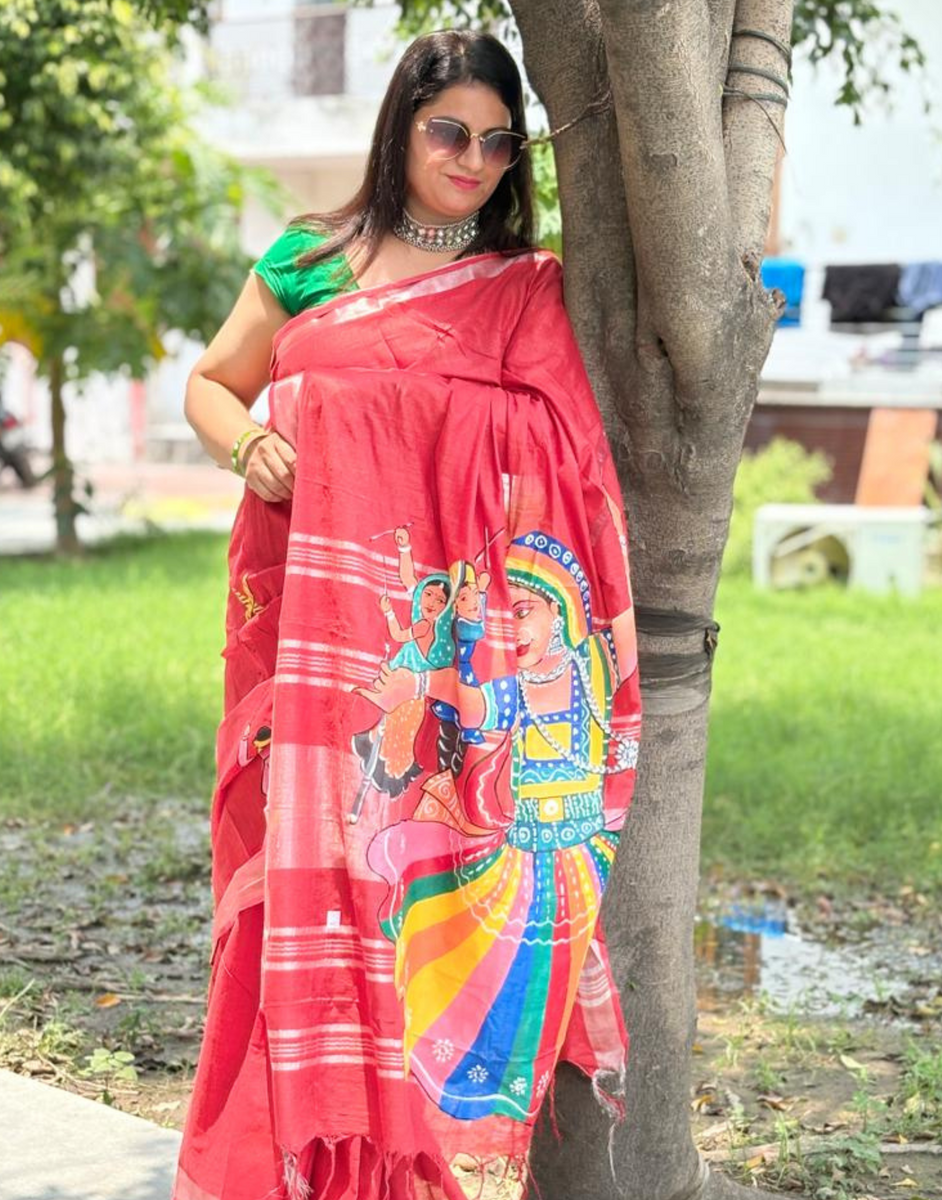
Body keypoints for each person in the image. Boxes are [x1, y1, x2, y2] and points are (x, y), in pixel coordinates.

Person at [172, 29, 642, 1200]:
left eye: (496, 141)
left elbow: (564, 468)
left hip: (458, 657)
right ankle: (311, 1156)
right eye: (449, 132)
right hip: (320, 636)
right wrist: (256, 442)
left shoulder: (528, 290)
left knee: (422, 870)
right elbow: (211, 382)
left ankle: (416, 1155)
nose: (473, 160)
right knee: (314, 873)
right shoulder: (310, 260)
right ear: (401, 127)